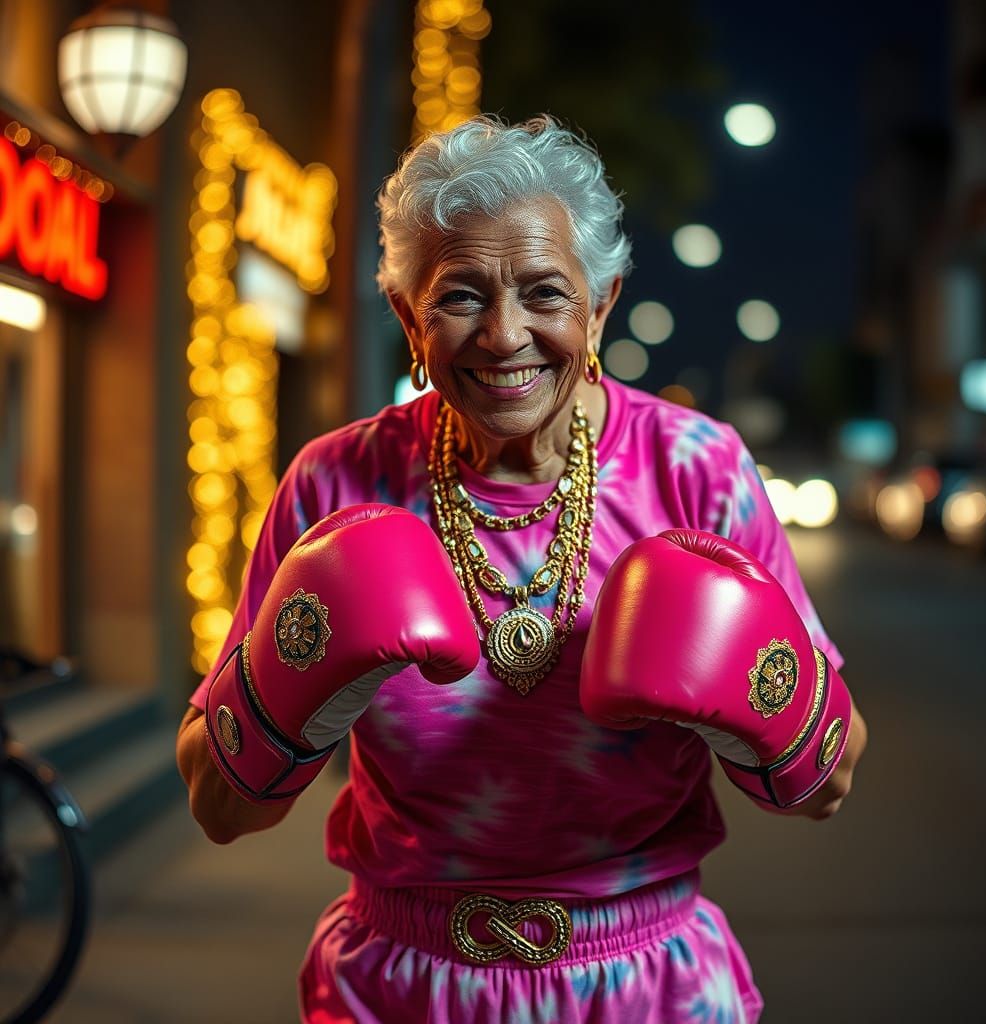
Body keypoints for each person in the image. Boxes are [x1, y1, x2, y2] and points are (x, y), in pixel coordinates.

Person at [176, 114, 867, 1023]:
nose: (504, 337)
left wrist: (752, 712)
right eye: (460, 295)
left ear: (602, 303)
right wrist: (291, 702)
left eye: (545, 293)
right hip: (401, 980)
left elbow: (832, 780)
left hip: (644, 980)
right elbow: (220, 809)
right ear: (406, 316)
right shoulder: (336, 482)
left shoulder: (696, 467)